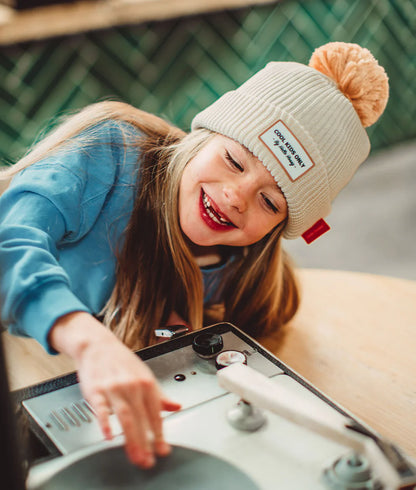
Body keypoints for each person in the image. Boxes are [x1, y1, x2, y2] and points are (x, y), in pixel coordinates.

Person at [0, 42, 388, 469]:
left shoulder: (238, 271)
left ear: (281, 229)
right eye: (233, 161)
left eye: (270, 203)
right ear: (205, 136)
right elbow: (11, 242)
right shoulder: (108, 150)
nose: (235, 197)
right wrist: (92, 345)